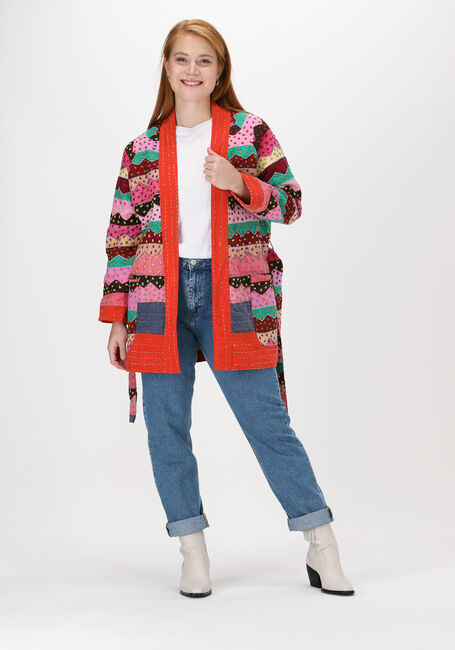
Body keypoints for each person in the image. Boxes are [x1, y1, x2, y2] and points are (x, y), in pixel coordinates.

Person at [98, 18, 355, 598]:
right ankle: (191, 550)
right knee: (166, 429)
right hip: (155, 300)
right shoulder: (141, 150)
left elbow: (291, 203)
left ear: (220, 71)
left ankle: (321, 543)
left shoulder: (249, 133)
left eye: (204, 60)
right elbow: (121, 235)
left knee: (267, 423)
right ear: (167, 69)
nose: (192, 70)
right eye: (182, 59)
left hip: (235, 296)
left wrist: (240, 181)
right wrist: (116, 316)